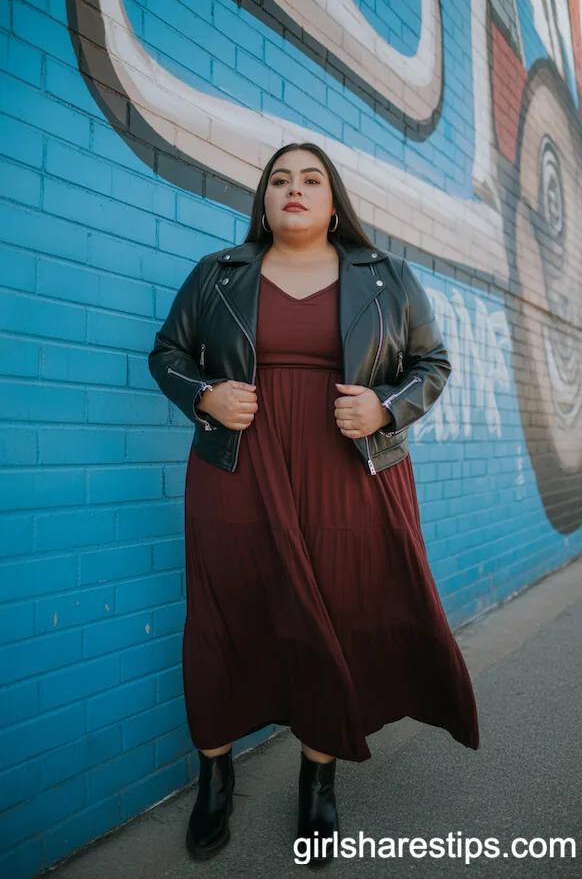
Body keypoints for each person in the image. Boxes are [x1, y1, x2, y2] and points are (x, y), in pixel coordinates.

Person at [148, 142, 479, 868]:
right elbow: (167, 354)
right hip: (236, 469)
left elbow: (433, 365)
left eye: (311, 180)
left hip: (350, 472)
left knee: (338, 616)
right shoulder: (219, 275)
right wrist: (204, 394)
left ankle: (318, 777)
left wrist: (386, 408)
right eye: (279, 181)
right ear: (262, 201)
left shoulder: (385, 276)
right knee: (221, 618)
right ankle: (216, 775)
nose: (293, 190)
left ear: (334, 203)